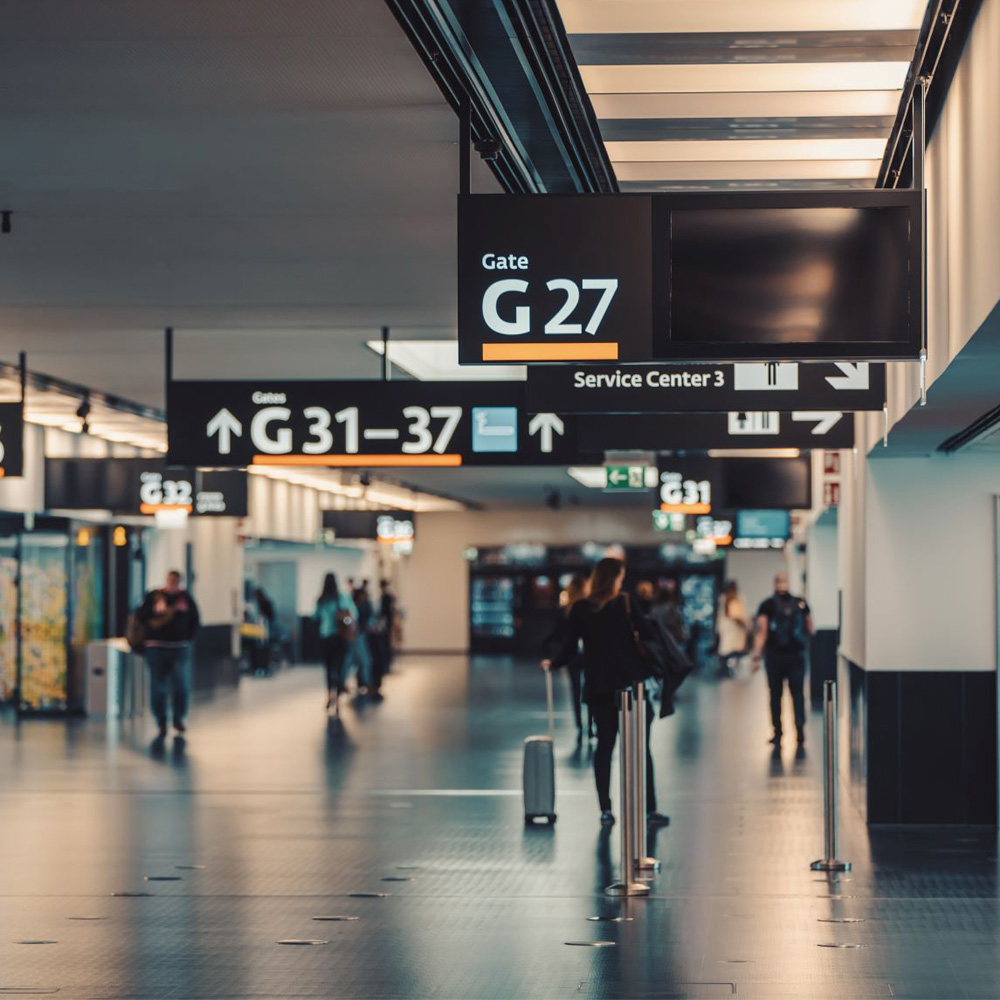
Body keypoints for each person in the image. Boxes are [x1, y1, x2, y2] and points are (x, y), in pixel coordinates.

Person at [543, 558, 668, 828]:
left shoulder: (579, 609)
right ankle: (649, 808)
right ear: (614, 579)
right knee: (639, 748)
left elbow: (568, 647)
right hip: (631, 686)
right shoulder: (624, 603)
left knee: (604, 747)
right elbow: (647, 635)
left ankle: (606, 808)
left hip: (599, 687)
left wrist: (553, 663)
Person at [752, 572, 814, 747]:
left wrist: (757, 656)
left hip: (775, 656)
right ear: (787, 583)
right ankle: (800, 730)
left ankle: (778, 733)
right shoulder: (800, 603)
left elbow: (761, 633)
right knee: (798, 694)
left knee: (775, 695)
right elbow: (811, 629)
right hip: (796, 656)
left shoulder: (767, 605)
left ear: (774, 584)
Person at [137, 570, 200, 738]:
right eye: (170, 580)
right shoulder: (154, 596)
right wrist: (155, 611)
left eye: (176, 580)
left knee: (181, 685)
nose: (173, 583)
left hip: (179, 647)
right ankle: (161, 720)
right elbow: (140, 616)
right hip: (155, 647)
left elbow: (195, 619)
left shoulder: (185, 598)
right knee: (158, 686)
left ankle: (178, 718)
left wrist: (187, 638)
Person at [544, 572, 593, 744]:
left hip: (572, 656)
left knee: (575, 690)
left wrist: (552, 655)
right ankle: (591, 724)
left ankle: (579, 724)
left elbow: (559, 634)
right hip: (589, 655)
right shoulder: (590, 608)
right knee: (590, 689)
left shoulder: (566, 610)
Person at [313, 573, 358, 715]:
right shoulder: (343, 598)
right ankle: (337, 699)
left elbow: (315, 616)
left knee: (328, 668)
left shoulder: (321, 600)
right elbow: (354, 614)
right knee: (339, 668)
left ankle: (328, 696)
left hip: (326, 637)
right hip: (341, 637)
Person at [716, 579, 749, 678]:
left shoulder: (735, 598)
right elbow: (733, 614)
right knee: (728, 650)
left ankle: (729, 670)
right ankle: (728, 670)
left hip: (733, 628)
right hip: (731, 628)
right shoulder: (726, 598)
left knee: (731, 650)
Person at [370, 579, 396, 692]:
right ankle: (385, 665)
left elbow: (386, 613)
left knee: (386, 645)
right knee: (384, 646)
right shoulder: (382, 598)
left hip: (385, 626)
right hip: (383, 626)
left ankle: (387, 665)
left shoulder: (388, 598)